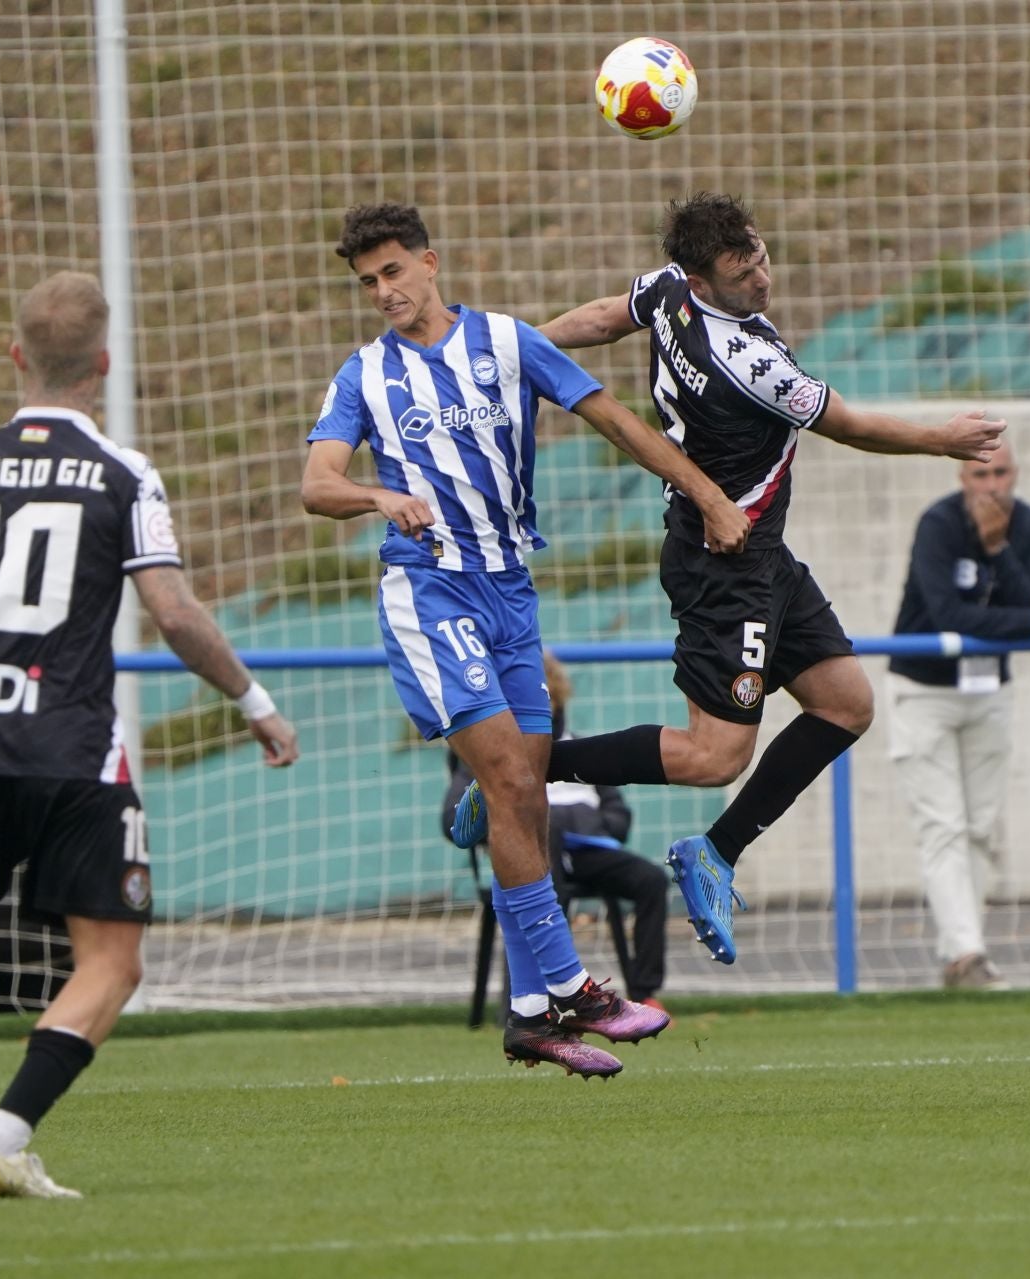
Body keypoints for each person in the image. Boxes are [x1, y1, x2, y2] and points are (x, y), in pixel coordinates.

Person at [0, 271, 301, 1201]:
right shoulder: (123, 476)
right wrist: (253, 702)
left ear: (15, 357)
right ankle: (3, 1135)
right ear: (104, 364)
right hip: (75, 748)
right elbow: (174, 611)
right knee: (111, 963)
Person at [450, 192, 1005, 968]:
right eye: (744, 274)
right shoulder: (747, 361)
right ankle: (523, 764)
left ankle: (714, 852)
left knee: (846, 703)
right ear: (703, 282)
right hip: (723, 562)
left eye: (763, 258)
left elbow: (610, 314)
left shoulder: (670, 290)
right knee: (713, 757)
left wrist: (521, 351)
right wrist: (941, 438)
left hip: (761, 553)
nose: (764, 280)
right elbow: (848, 424)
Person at [300, 203, 745, 1077]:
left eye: (393, 271)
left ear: (430, 261)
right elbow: (318, 481)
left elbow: (616, 421)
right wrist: (378, 498)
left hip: (511, 592)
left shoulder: (506, 344)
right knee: (507, 777)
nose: (383, 292)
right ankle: (573, 984)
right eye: (367, 282)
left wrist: (709, 495)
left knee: (524, 796)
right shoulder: (364, 376)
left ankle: (532, 1015)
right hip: (428, 592)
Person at [887, 440, 1030, 989]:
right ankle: (968, 954)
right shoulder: (937, 524)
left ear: (1016, 474)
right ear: (962, 477)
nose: (991, 484)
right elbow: (950, 616)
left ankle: (958, 951)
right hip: (923, 690)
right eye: (978, 474)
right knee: (942, 824)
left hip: (989, 690)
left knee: (982, 827)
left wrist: (998, 550)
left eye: (1001, 473)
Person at [444, 654, 671, 1007]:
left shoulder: (581, 749)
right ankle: (535, 1003)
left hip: (587, 855)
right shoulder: (486, 759)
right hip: (527, 861)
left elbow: (618, 816)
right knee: (544, 844)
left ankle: (645, 993)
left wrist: (589, 824)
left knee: (652, 880)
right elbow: (452, 820)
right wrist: (509, 824)